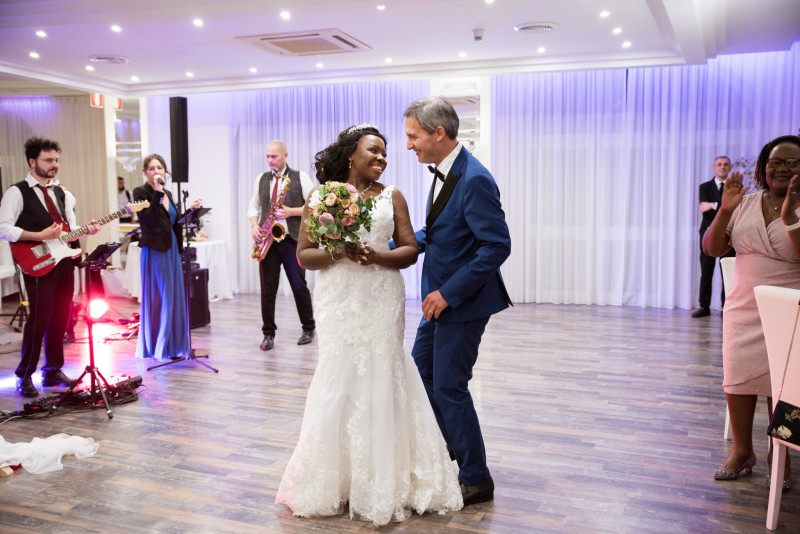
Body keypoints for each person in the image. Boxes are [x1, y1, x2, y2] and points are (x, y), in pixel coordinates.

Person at [275, 125, 462, 525]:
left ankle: (385, 479)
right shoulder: (320, 196)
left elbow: (410, 249)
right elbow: (304, 255)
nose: (382, 158)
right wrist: (339, 252)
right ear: (350, 154)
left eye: (384, 153)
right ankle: (336, 479)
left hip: (380, 296)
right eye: (373, 151)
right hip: (338, 298)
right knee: (338, 376)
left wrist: (378, 257)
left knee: (382, 372)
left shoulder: (392, 196)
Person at [403, 96, 512, 506]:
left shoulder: (475, 178)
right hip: (438, 302)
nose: (409, 145)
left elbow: (496, 246)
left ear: (438, 133)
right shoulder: (445, 170)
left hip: (462, 303)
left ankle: (476, 478)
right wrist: (393, 248)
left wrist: (448, 293)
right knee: (422, 373)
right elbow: (438, 232)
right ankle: (452, 443)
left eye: (413, 136)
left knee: (450, 386)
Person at [703, 134, 800, 490]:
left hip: (791, 312)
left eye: (792, 162)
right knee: (737, 378)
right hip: (743, 308)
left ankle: (781, 454)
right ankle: (743, 450)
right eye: (775, 162)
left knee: (785, 386)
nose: (782, 168)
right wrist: (725, 210)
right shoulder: (744, 203)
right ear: (764, 167)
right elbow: (712, 248)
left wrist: (790, 218)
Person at [0, 137, 100, 397]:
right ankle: (24, 375)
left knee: (61, 317)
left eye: (57, 160)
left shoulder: (62, 193)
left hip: (63, 261)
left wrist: (86, 230)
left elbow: (69, 229)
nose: (54, 164)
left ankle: (52, 370)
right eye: (48, 160)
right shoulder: (16, 192)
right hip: (37, 262)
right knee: (39, 319)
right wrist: (39, 235)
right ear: (32, 162)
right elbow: (3, 229)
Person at [247, 140, 316, 351]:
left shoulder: (300, 177)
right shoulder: (261, 179)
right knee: (267, 290)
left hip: (292, 239)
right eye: (267, 156)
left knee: (298, 285)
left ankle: (308, 327)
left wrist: (291, 212)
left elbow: (315, 205)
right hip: (268, 241)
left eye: (274, 156)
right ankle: (268, 333)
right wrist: (254, 225)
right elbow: (253, 207)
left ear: (285, 155)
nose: (270, 160)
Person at [132, 154, 202, 360]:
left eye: (160, 168)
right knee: (162, 296)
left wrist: (190, 211)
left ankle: (173, 345)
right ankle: (161, 347)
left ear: (165, 171)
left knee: (174, 296)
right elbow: (149, 220)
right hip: (155, 249)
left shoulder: (168, 193)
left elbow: (173, 222)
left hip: (171, 248)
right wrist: (157, 192)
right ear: (145, 172)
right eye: (152, 169)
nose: (156, 172)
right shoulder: (141, 192)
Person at [693, 156, 736, 318]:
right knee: (706, 271)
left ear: (729, 168)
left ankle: (726, 307)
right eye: (719, 164)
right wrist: (723, 206)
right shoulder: (704, 187)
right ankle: (704, 306)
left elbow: (732, 209)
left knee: (727, 271)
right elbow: (706, 209)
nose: (722, 167)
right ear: (713, 168)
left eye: (725, 165)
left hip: (728, 233)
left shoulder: (735, 187)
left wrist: (713, 205)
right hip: (707, 234)